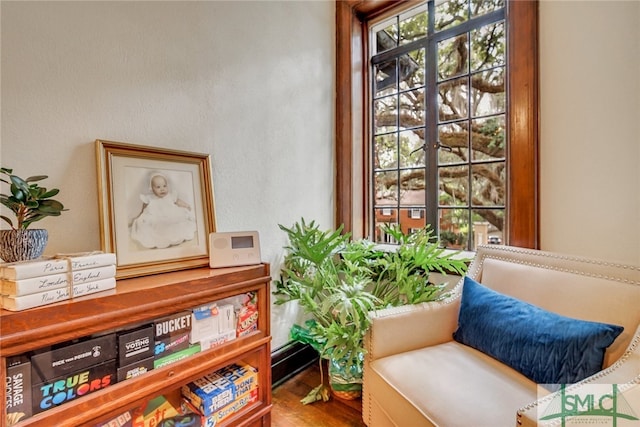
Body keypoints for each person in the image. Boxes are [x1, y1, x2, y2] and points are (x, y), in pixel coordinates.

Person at [130, 172, 196, 249]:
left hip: (170, 214)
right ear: (152, 188)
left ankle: (174, 236)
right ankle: (161, 239)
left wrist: (186, 205)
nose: (162, 189)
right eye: (158, 187)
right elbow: (144, 208)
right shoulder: (150, 198)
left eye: (164, 186)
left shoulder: (170, 196)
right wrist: (140, 215)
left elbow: (177, 201)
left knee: (177, 221)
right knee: (151, 224)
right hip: (155, 216)